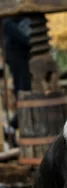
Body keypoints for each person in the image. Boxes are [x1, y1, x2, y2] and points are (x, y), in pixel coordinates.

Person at [2, 17, 31, 147]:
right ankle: (11, 127)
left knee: (27, 93)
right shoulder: (8, 20)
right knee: (25, 93)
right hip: (17, 57)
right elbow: (16, 33)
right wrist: (32, 41)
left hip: (25, 56)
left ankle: (11, 127)